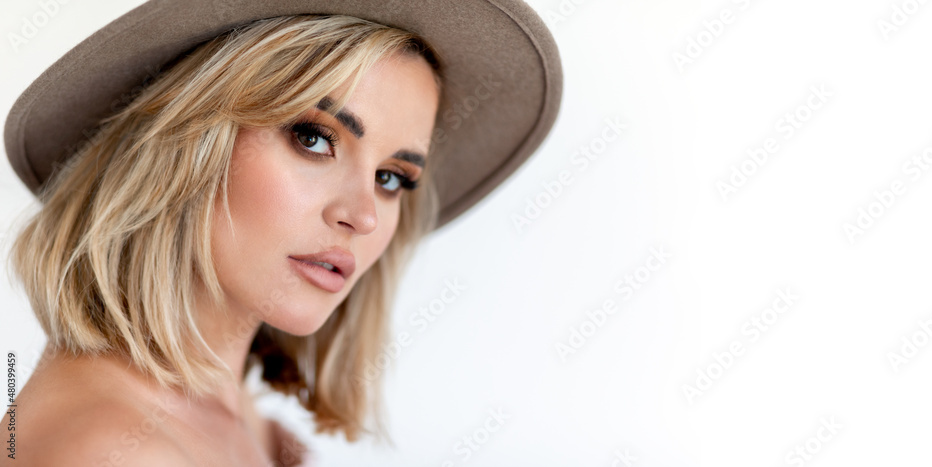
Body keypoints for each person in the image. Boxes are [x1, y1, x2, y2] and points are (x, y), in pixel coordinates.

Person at [1, 1, 561, 465]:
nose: (362, 216)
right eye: (315, 139)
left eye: (391, 177)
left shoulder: (259, 435)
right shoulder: (107, 451)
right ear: (185, 144)